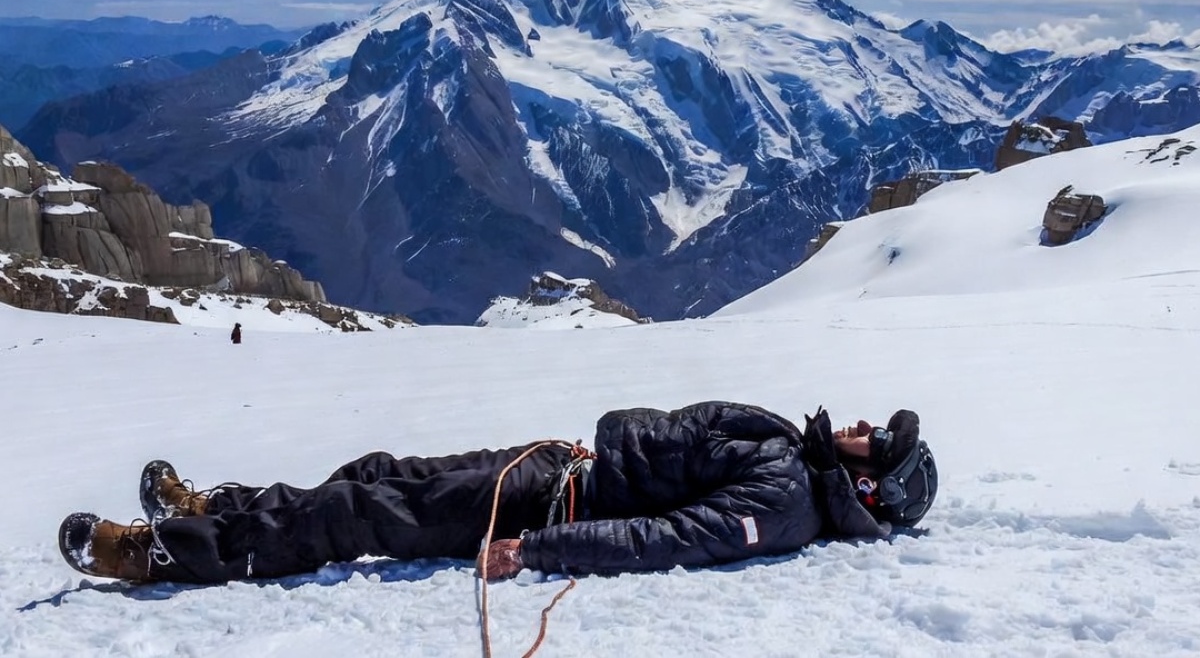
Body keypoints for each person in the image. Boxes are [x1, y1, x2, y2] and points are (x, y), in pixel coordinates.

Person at [57, 402, 938, 584]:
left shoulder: (782, 500)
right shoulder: (790, 452)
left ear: (868, 482)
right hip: (559, 468)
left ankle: (160, 552)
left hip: (546, 506)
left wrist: (539, 548)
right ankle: (219, 508)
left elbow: (661, 540)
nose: (863, 419)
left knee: (360, 514)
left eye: (876, 438)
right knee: (375, 475)